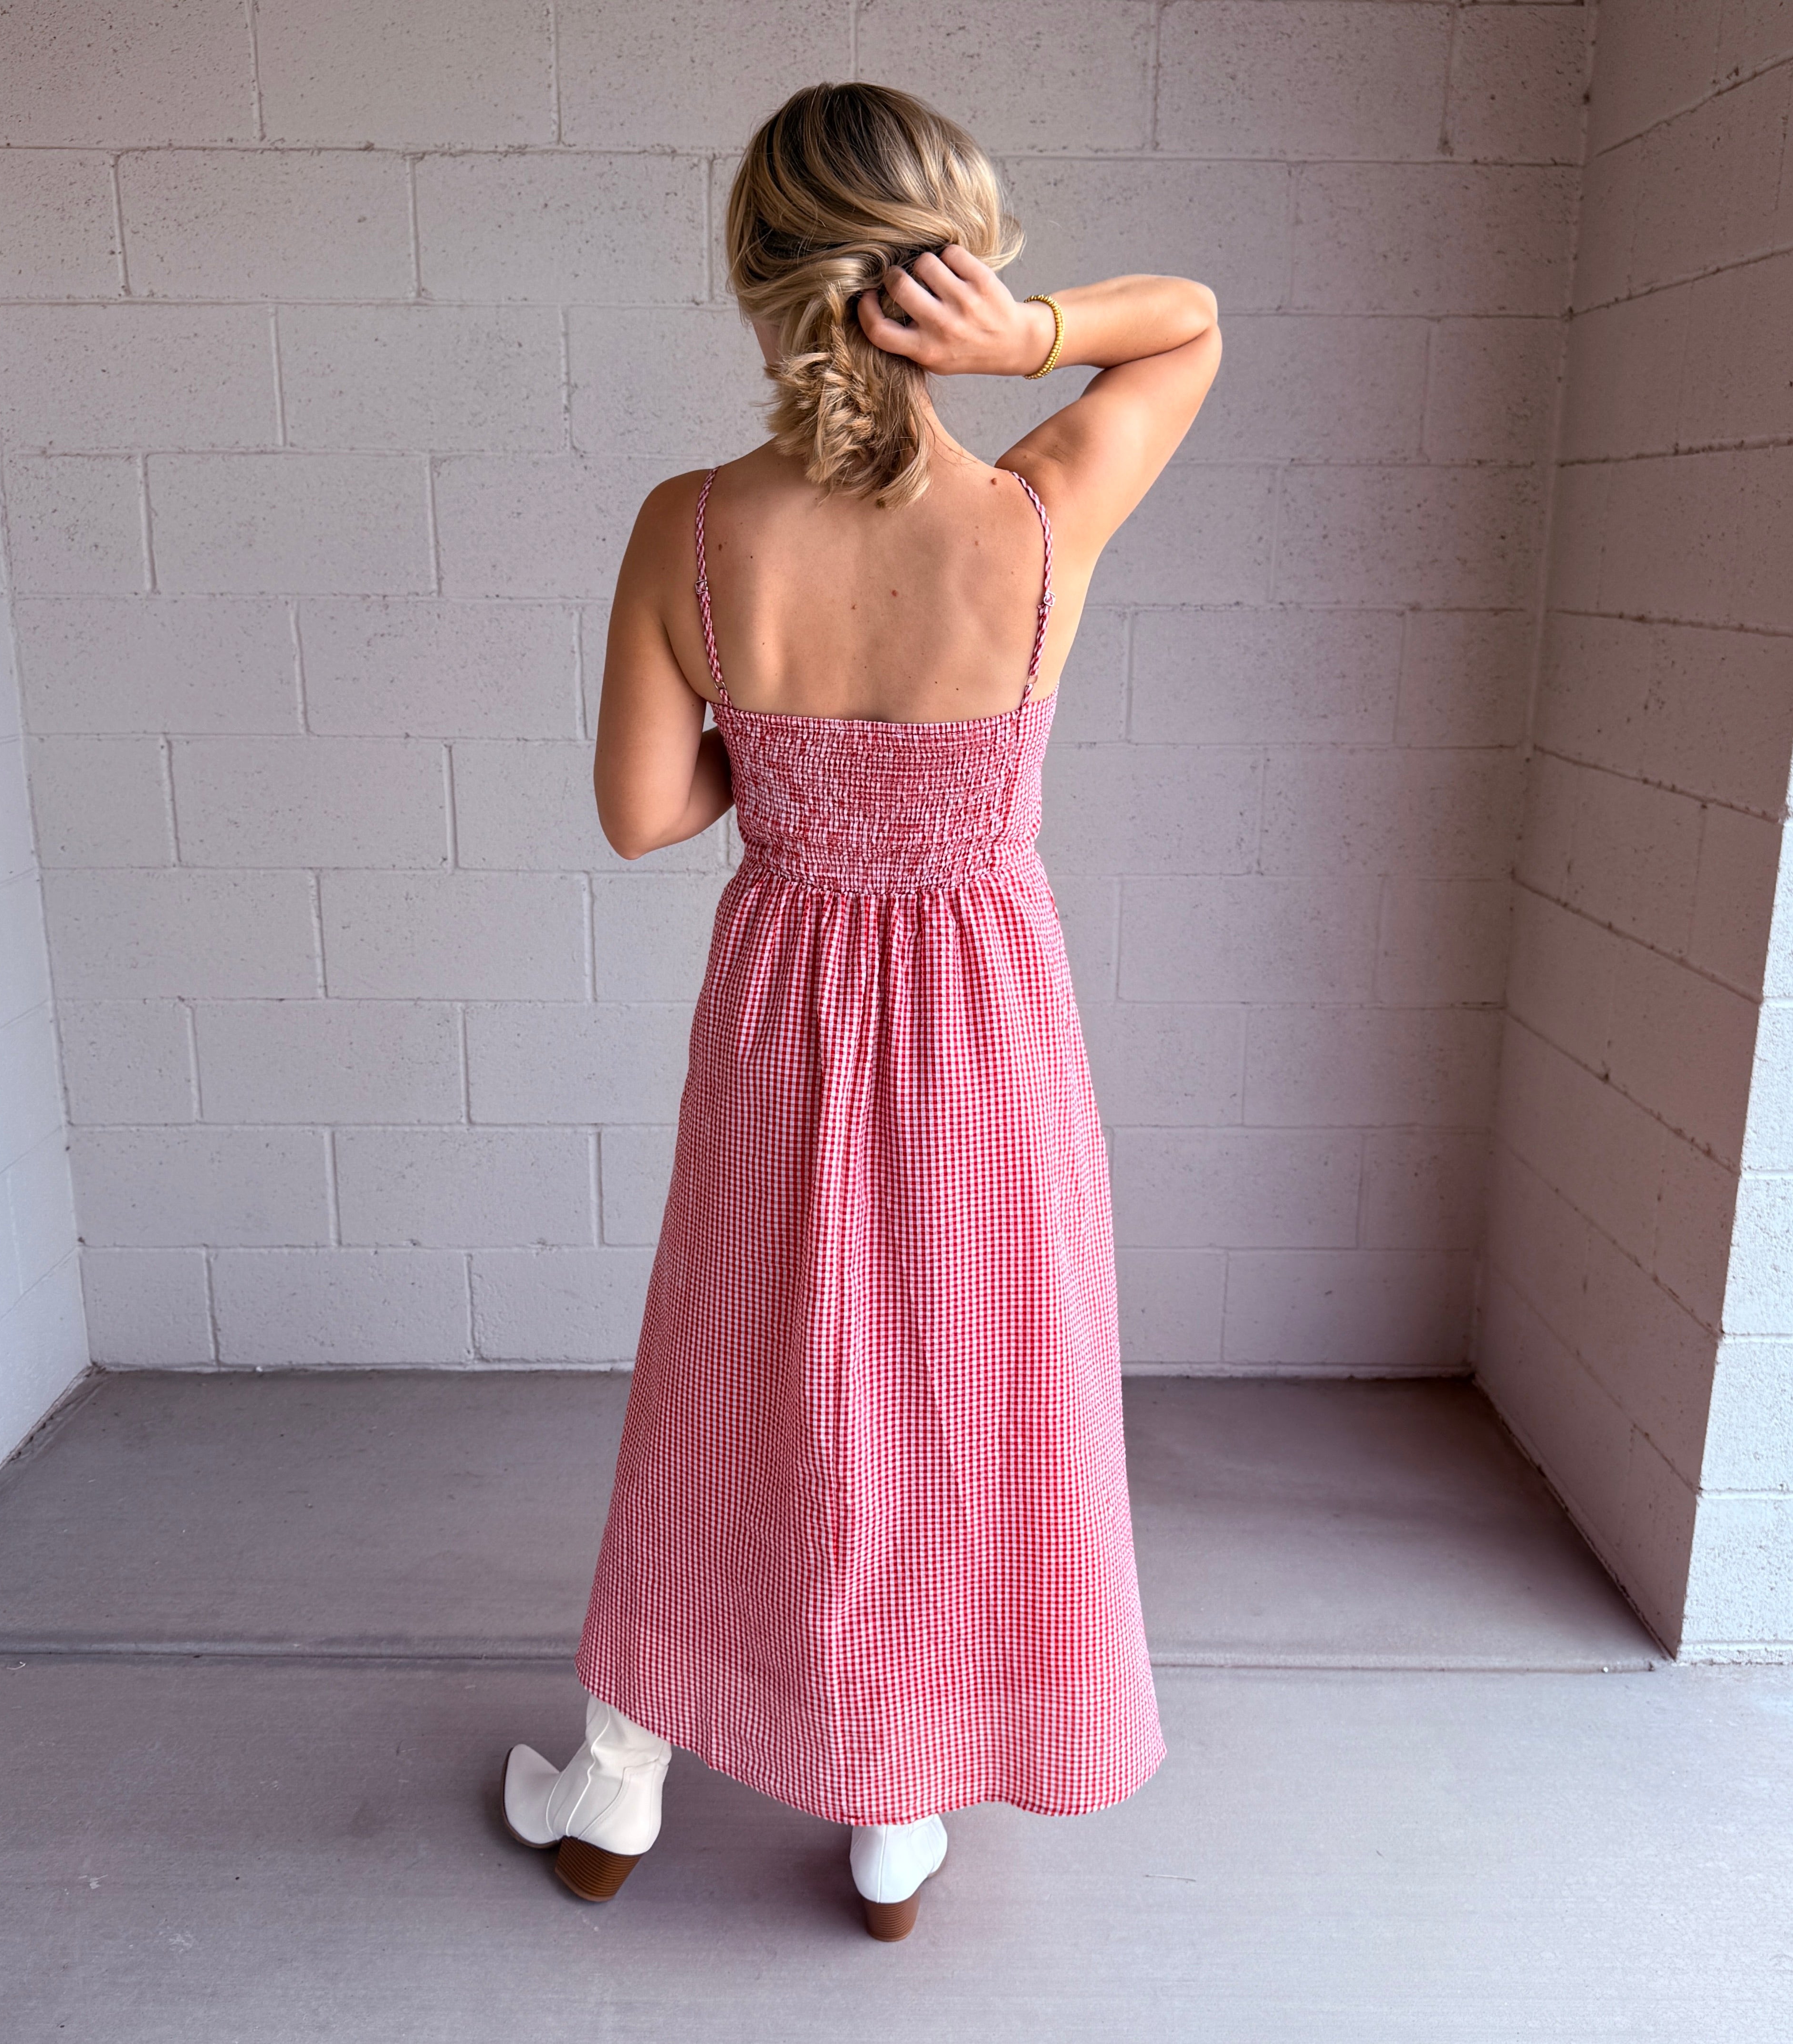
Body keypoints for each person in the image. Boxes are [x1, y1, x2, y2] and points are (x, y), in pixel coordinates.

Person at [502, 80, 1221, 1942]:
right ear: (956, 271)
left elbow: (643, 812)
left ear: (760, 285)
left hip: (786, 1013)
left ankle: (620, 1780)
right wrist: (1033, 337)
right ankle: (896, 1807)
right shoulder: (1037, 512)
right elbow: (1190, 323)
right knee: (958, 1386)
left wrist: (790, 765)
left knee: (733, 1375)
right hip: (987, 1026)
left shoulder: (689, 530)